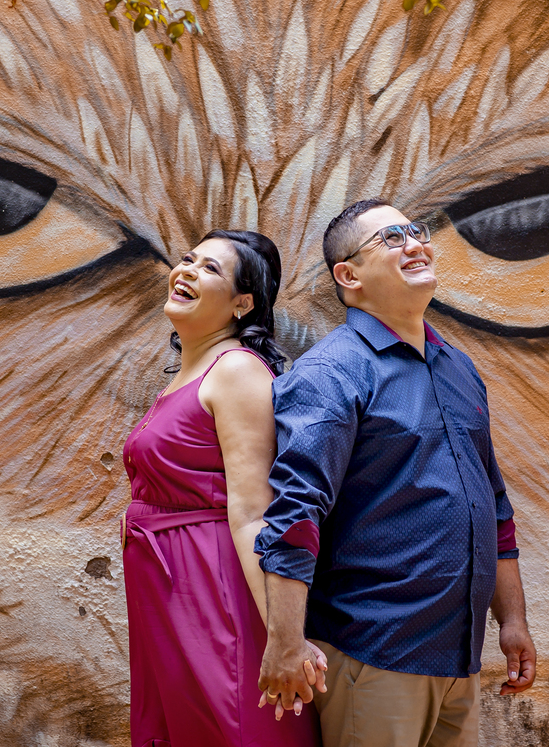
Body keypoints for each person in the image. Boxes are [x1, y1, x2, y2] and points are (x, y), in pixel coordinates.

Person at [254, 200, 537, 747]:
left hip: (461, 657)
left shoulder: (458, 367)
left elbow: (494, 507)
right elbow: (294, 514)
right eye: (390, 239)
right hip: (374, 653)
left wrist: (512, 621)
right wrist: (285, 641)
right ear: (349, 276)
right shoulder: (331, 372)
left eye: (416, 232)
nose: (414, 244)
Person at [121, 230, 324, 747]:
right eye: (188, 260)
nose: (186, 270)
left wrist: (284, 638)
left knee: (234, 726)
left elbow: (255, 510)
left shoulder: (234, 370)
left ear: (243, 303)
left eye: (210, 268)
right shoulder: (185, 374)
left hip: (214, 588)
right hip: (169, 593)